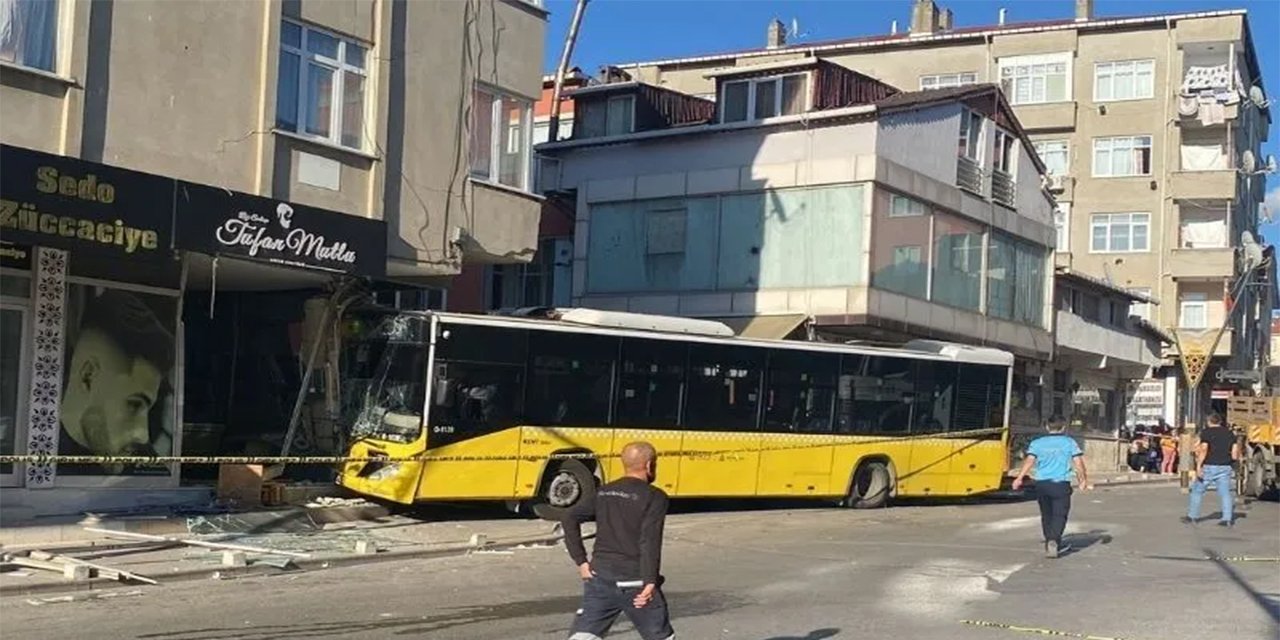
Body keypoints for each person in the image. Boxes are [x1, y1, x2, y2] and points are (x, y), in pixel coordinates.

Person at [561, 441, 673, 640]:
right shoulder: (655, 497)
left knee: (583, 636)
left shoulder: (604, 491)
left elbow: (569, 517)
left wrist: (581, 561)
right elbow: (649, 540)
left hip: (600, 576)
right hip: (635, 579)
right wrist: (649, 581)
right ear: (649, 465)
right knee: (660, 636)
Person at [59, 289, 173, 473]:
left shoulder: (144, 467)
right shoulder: (38, 454)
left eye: (148, 409)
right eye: (133, 405)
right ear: (88, 376)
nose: (143, 435)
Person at [1011, 418, 1091, 559]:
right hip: (1060, 484)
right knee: (1060, 514)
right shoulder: (1069, 442)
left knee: (1046, 514)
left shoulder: (1037, 443)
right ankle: (1054, 539)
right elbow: (1078, 463)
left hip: (1042, 483)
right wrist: (1083, 480)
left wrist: (1019, 478)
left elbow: (1029, 461)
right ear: (1063, 427)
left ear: (1047, 427)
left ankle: (1049, 540)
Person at [1182, 414, 1241, 527]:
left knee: (1197, 491)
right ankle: (1227, 519)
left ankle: (1192, 516)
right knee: (1225, 493)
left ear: (1209, 421)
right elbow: (1234, 453)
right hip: (1225, 466)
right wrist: (1234, 463)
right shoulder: (1229, 433)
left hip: (1209, 465)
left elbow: (1204, 449)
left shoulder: (1207, 432)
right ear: (1220, 421)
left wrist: (1198, 466)